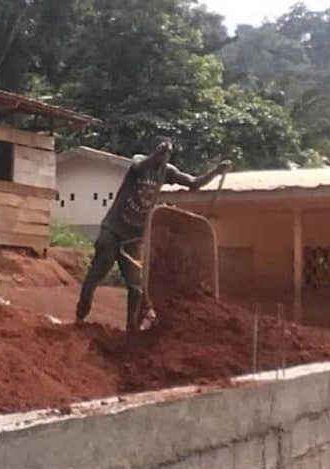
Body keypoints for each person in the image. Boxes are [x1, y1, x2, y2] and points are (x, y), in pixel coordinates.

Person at [75, 136, 231, 330]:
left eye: (168, 153)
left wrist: (216, 171)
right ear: (153, 149)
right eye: (162, 151)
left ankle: (131, 329)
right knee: (96, 274)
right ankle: (81, 315)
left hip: (134, 237)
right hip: (113, 229)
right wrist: (156, 154)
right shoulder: (139, 162)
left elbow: (193, 182)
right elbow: (139, 167)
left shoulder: (167, 171)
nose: (165, 156)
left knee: (136, 287)